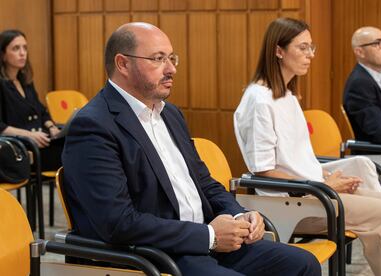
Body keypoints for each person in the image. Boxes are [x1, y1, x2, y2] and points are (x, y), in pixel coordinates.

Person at [61, 22, 320, 275]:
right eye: (158, 59)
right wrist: (208, 236)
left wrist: (240, 214)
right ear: (123, 64)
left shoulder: (170, 114)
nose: (171, 68)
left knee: (303, 263)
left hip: (207, 241)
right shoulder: (93, 125)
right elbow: (117, 222)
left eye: (172, 58)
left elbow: (204, 183)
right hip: (157, 254)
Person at [234, 18, 381, 276]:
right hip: (292, 201)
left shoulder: (286, 94)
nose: (310, 55)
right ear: (278, 50)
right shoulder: (259, 100)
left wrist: (330, 177)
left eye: (312, 47)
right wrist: (325, 185)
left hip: (313, 191)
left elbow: (298, 160)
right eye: (303, 48)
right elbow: (263, 171)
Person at [0, 29, 63, 171]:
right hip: (20, 147)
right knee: (73, 154)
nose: (22, 53)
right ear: (3, 55)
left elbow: (41, 111)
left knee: (74, 141)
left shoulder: (26, 81)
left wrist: (52, 128)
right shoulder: (1, 85)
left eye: (25, 48)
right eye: (16, 48)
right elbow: (1, 127)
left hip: (39, 141)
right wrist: (30, 135)